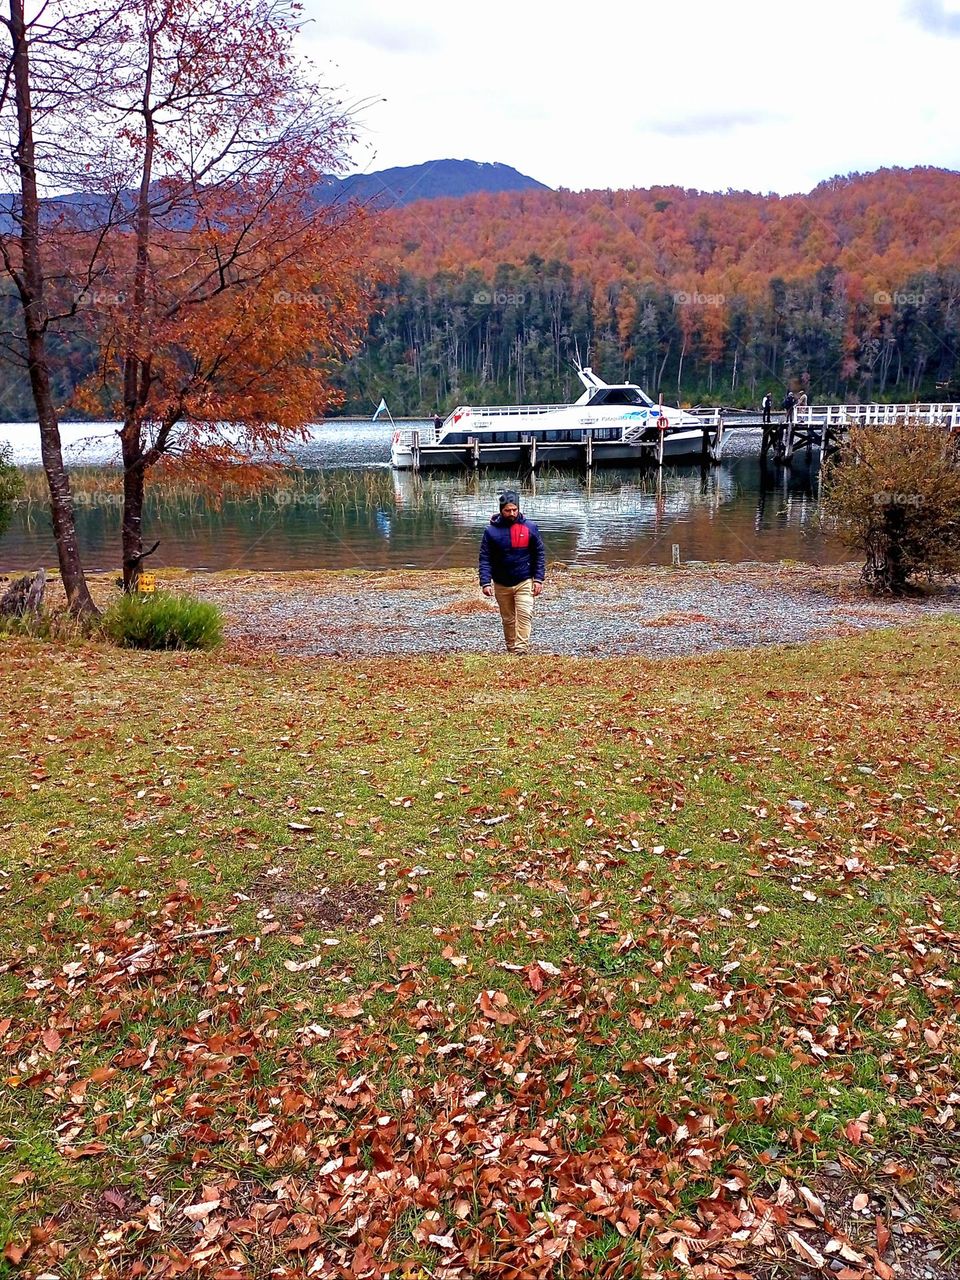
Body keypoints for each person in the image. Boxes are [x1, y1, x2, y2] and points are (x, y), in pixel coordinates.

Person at [479, 490, 546, 655]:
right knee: (508, 620)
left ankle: (521, 650)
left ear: (519, 508)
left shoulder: (529, 527)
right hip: (501, 583)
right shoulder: (490, 532)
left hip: (524, 580)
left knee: (525, 614)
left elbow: (539, 554)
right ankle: (511, 648)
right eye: (508, 510)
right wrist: (485, 582)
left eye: (514, 510)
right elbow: (485, 558)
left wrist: (538, 579)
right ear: (501, 510)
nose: (512, 513)